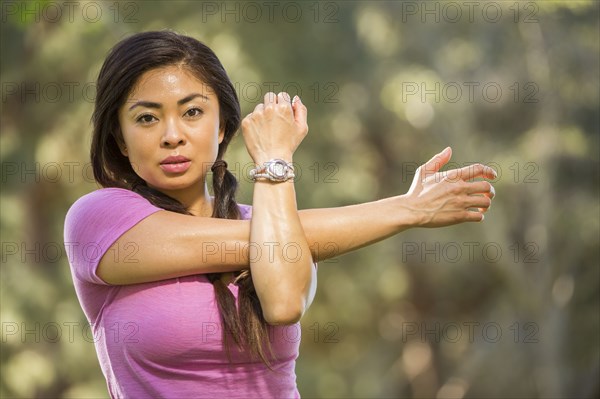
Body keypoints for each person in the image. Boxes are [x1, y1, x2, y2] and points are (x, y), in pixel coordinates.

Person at [64, 30, 496, 398]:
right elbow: (268, 244)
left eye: (192, 112)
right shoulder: (100, 218)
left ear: (222, 127)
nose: (173, 135)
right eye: (146, 119)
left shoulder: (276, 220)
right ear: (119, 138)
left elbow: (284, 303)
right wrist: (407, 208)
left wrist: (274, 160)